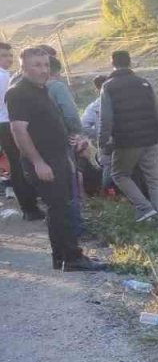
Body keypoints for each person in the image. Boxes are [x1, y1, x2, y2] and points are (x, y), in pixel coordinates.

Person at [4, 48, 106, 271]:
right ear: (23, 68)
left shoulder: (41, 89)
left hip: (58, 156)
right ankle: (71, 258)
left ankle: (63, 257)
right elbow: (19, 130)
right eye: (36, 65)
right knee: (60, 207)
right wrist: (38, 162)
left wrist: (74, 139)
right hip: (44, 161)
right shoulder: (18, 92)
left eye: (45, 64)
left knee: (60, 207)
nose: (43, 70)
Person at [100, 50, 158, 222]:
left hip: (126, 141)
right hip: (151, 139)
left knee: (119, 174)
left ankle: (144, 208)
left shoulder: (108, 86)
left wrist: (102, 142)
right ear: (130, 62)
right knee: (154, 180)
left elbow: (106, 119)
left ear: (112, 63)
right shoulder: (144, 83)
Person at [0, 42, 44, 220]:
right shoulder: (4, 77)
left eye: (10, 55)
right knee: (20, 165)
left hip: (4, 124)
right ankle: (30, 207)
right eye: (3, 55)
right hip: (9, 123)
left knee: (16, 164)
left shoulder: (6, 75)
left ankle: (29, 205)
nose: (8, 59)